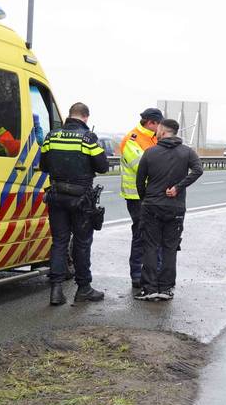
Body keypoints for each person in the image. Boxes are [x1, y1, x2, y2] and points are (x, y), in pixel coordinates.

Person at [40, 102, 109, 306]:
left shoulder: (51, 136)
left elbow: (43, 166)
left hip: (56, 196)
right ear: (85, 117)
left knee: (59, 242)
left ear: (70, 115)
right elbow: (103, 167)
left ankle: (56, 290)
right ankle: (83, 289)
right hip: (81, 201)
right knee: (81, 243)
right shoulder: (88, 138)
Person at [134, 119, 204, 301]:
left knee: (150, 246)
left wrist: (145, 199)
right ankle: (165, 289)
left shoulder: (150, 153)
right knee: (170, 248)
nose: (156, 131)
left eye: (158, 129)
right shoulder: (187, 152)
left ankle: (149, 289)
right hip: (176, 208)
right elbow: (198, 170)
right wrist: (178, 187)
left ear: (163, 132)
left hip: (152, 206)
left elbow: (139, 181)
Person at [119, 107, 164, 290]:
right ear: (151, 123)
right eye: (159, 124)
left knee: (156, 236)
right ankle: (137, 275)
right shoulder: (132, 139)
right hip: (136, 196)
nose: (160, 127)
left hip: (153, 195)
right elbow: (141, 166)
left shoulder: (155, 138)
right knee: (140, 235)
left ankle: (154, 273)